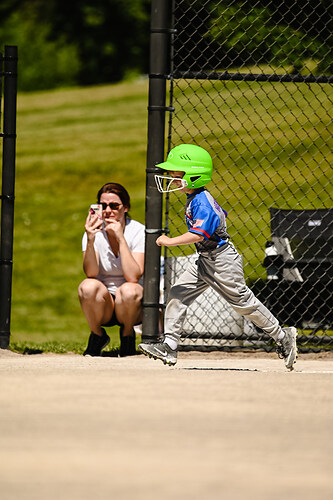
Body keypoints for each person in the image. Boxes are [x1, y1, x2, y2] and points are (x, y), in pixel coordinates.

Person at [138, 144, 298, 370]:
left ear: (194, 176)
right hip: (205, 258)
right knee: (178, 293)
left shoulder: (203, 201)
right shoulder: (194, 198)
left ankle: (282, 336)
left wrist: (169, 241)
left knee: (242, 303)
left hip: (222, 261)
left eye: (177, 173)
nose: (172, 178)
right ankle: (169, 345)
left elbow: (197, 234)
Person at [79, 182, 145, 356]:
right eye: (103, 206)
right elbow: (91, 273)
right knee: (87, 286)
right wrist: (91, 239)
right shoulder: (93, 232)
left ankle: (127, 334)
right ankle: (97, 334)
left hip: (131, 305)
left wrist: (121, 239)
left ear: (126, 208)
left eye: (114, 206)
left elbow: (133, 276)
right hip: (104, 304)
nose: (108, 210)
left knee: (129, 289)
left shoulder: (138, 231)